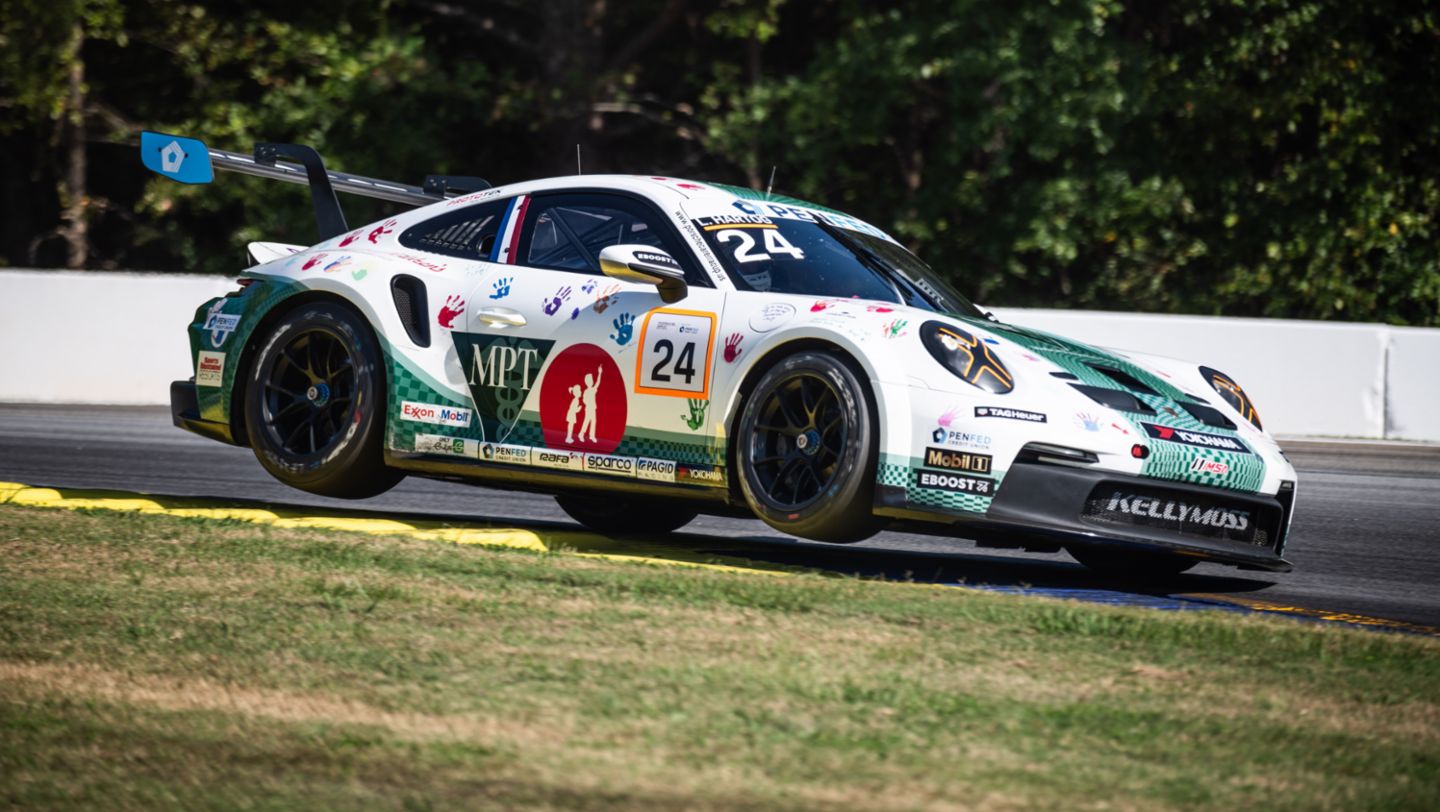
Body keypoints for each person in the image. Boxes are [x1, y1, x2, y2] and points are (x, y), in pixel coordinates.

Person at [580, 365, 603, 442]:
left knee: (593, 421)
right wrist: (588, 403)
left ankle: (591, 436)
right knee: (587, 421)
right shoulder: (586, 391)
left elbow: (598, 383)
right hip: (589, 408)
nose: (592, 381)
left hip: (593, 408)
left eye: (592, 380)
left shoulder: (593, 389)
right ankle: (581, 434)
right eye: (591, 380)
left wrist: (599, 373)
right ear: (587, 382)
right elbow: (584, 400)